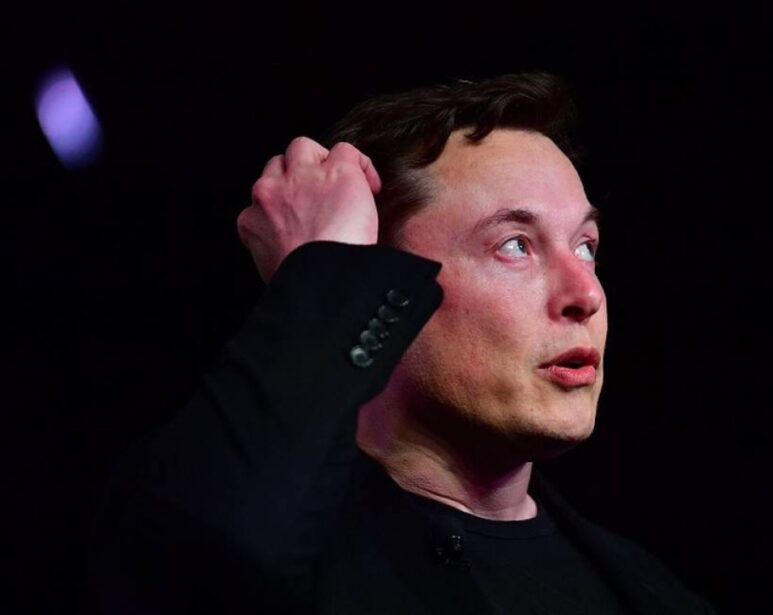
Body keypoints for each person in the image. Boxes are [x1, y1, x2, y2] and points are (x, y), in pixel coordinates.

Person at [91, 72, 715, 614]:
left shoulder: (654, 594)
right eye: (515, 245)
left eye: (586, 247)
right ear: (382, 279)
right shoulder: (234, 518)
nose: (587, 294)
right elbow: (205, 560)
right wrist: (323, 268)